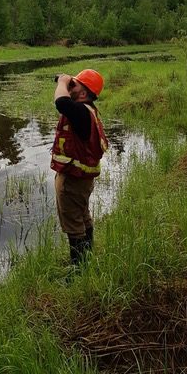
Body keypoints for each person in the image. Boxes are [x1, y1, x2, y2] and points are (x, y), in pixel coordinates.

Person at [51, 69, 108, 266]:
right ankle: (87, 259)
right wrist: (67, 82)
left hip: (73, 180)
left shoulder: (81, 112)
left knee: (74, 226)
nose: (69, 87)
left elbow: (61, 103)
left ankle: (79, 270)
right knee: (83, 217)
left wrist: (63, 80)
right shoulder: (87, 111)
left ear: (83, 94)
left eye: (74, 85)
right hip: (82, 179)